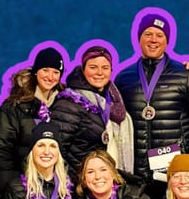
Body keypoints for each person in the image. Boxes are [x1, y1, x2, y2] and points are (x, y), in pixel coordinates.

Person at [115, 10, 189, 199]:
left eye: (160, 35)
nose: (154, 39)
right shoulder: (123, 78)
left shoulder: (187, 75)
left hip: (176, 177)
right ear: (138, 38)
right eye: (148, 34)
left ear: (167, 41)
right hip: (137, 179)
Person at [0, 46, 66, 189]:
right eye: (45, 70)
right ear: (36, 71)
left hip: (53, 190)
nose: (50, 76)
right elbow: (0, 152)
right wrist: (14, 188)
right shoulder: (14, 106)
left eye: (56, 72)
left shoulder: (64, 105)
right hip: (21, 187)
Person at [52, 45, 133, 180]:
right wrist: (75, 183)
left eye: (105, 68)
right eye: (93, 67)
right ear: (83, 70)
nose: (99, 72)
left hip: (110, 182)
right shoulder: (69, 103)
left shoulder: (115, 99)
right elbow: (57, 152)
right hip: (81, 186)